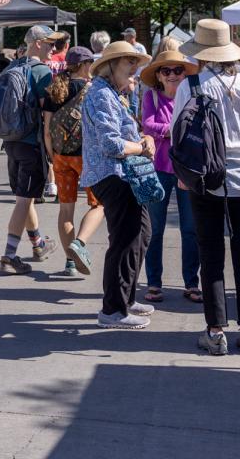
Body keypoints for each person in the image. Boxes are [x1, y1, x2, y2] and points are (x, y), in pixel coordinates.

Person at [174, 19, 240, 356]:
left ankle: (215, 330)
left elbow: (179, 134)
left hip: (207, 179)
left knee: (211, 253)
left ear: (202, 53)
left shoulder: (191, 87)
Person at [79, 40, 154, 327]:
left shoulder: (111, 92)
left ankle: (126, 298)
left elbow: (123, 135)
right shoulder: (101, 94)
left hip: (121, 174)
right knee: (125, 240)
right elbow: (111, 144)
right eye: (129, 62)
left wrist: (142, 139)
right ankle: (112, 310)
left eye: (136, 63)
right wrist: (142, 148)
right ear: (111, 66)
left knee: (140, 235)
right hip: (111, 174)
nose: (135, 69)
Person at [139, 50, 201, 304]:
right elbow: (147, 125)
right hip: (159, 168)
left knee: (190, 229)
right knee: (155, 230)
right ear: (159, 75)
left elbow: (199, 125)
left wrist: (166, 132)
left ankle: (191, 283)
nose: (173, 75)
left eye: (178, 70)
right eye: (167, 70)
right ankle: (154, 283)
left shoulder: (193, 96)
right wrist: (176, 129)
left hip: (187, 169)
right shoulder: (151, 96)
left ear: (185, 73)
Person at [0, 26, 59, 275]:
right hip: (31, 142)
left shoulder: (12, 67)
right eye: (49, 43)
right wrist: (52, 149)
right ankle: (9, 256)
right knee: (25, 199)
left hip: (11, 140)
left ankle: (38, 244)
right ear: (37, 43)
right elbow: (48, 117)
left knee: (26, 196)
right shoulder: (42, 72)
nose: (53, 48)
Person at [44, 46, 102, 277]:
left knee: (66, 210)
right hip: (87, 156)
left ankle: (70, 262)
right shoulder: (93, 89)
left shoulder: (55, 89)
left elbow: (48, 129)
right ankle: (80, 243)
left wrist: (52, 154)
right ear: (87, 64)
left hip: (60, 155)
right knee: (98, 205)